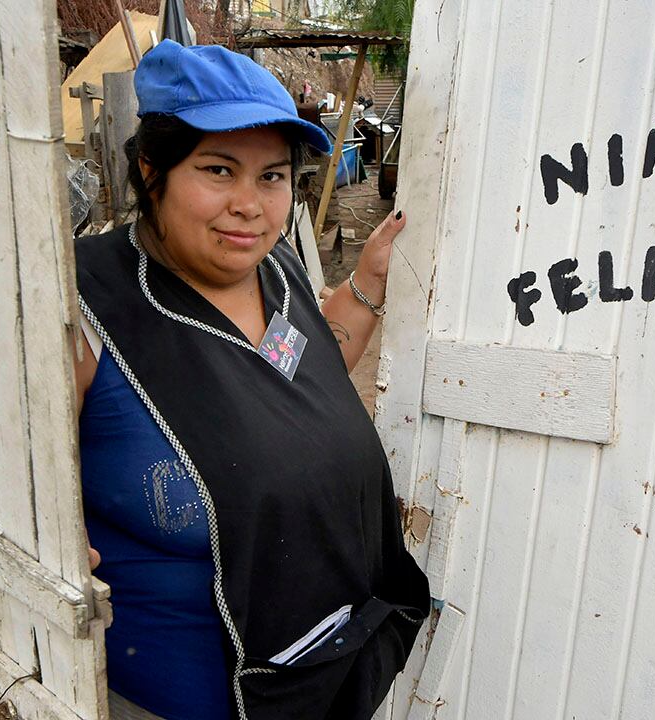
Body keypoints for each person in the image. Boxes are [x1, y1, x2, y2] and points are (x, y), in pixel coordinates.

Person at [73, 40, 430, 720]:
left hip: (321, 673)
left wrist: (369, 283)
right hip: (171, 699)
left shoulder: (278, 268)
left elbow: (297, 378)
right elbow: (12, 493)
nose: (251, 205)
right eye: (218, 170)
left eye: (272, 177)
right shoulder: (87, 309)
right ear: (153, 168)